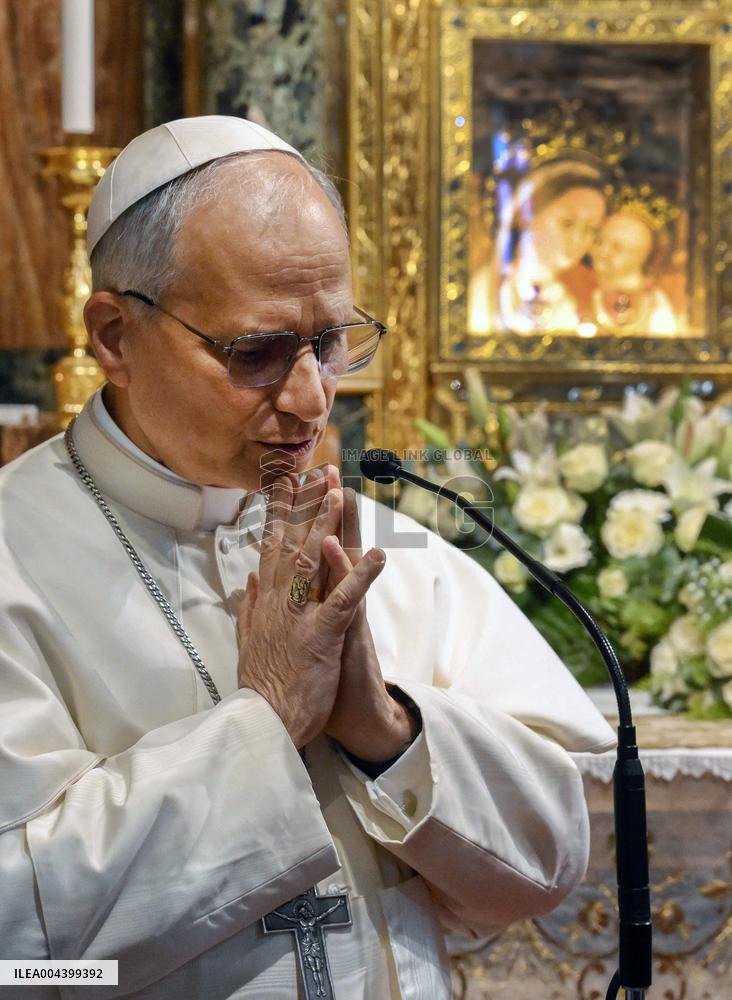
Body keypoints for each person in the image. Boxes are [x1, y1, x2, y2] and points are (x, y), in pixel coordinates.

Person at [0, 116, 614, 999]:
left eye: (328, 342)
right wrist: (268, 722)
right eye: (256, 352)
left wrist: (385, 730)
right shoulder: (15, 556)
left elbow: (550, 867)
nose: (309, 399)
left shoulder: (387, 547)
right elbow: (21, 953)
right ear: (113, 336)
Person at [468, 159, 606, 335]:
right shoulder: (483, 292)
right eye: (567, 223)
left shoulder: (569, 306)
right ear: (527, 214)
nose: (579, 238)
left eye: (590, 229)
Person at [590, 209, 679, 335]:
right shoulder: (577, 292)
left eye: (617, 247)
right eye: (599, 241)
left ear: (639, 256)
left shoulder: (655, 306)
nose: (602, 251)